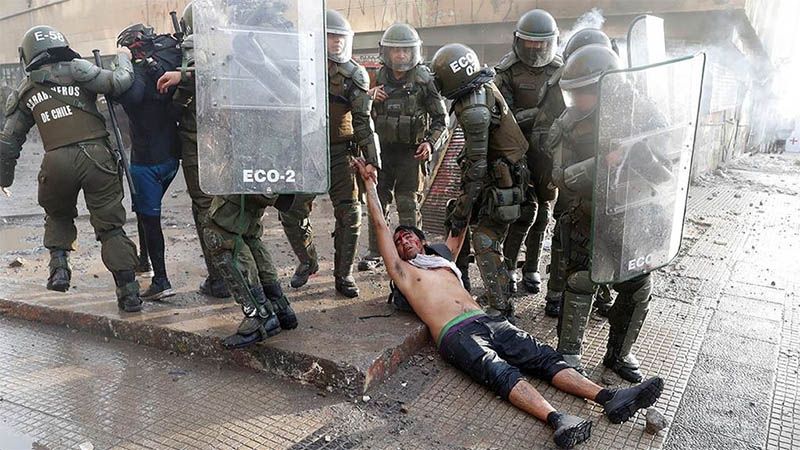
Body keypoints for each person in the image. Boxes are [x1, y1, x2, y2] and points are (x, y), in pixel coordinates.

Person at [352, 156, 663, 449]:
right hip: (455, 333)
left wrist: (474, 179)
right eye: (398, 240)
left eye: (408, 236)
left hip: (487, 319)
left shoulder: (443, 260)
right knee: (501, 373)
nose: (403, 240)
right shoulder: (403, 272)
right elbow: (380, 226)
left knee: (543, 357)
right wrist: (369, 184)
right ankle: (557, 419)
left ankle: (609, 397)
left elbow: (462, 220)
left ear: (422, 242)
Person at [0, 26, 142, 311]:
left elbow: (8, 142)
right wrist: (123, 58)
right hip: (97, 158)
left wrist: (5, 179)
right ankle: (128, 292)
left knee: (58, 215)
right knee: (111, 227)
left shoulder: (26, 89)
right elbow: (119, 82)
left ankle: (59, 269)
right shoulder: (79, 69)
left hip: (56, 163)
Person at [548, 44, 659, 382]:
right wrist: (602, 163)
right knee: (582, 281)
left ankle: (619, 354)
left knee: (638, 284)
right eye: (573, 92)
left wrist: (643, 153)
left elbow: (669, 160)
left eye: (583, 92)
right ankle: (568, 354)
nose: (576, 100)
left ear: (605, 87)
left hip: (631, 217)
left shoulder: (641, 112)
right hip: (588, 216)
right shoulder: (568, 124)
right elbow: (560, 177)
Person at [279, 9, 381, 298]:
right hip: (304, 152)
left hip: (341, 153)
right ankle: (307, 260)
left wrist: (372, 160)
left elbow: (363, 121)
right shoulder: (297, 68)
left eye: (340, 38)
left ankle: (343, 274)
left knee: (350, 213)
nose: (337, 42)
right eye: (331, 37)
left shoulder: (354, 74)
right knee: (291, 210)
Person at [431, 43, 528, 321]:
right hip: (497, 175)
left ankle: (501, 308)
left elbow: (477, 168)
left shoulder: (474, 107)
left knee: (484, 238)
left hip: (504, 182)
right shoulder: (480, 90)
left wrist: (464, 211)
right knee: (454, 216)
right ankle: (460, 285)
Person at [357, 22, 448, 271]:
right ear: (386, 52)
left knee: (408, 205)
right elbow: (357, 112)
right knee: (378, 203)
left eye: (405, 50)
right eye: (396, 50)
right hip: (382, 154)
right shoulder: (374, 77)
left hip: (411, 154)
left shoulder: (424, 80)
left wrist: (430, 143)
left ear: (413, 52)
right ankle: (376, 252)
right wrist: (369, 97)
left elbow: (441, 120)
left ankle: (415, 255)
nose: (400, 55)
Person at [155, 2, 231, 299]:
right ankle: (238, 271)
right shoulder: (229, 43)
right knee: (231, 203)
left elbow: (191, 85)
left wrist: (176, 94)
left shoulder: (194, 44)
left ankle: (220, 277)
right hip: (228, 134)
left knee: (204, 206)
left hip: (198, 136)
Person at [494, 9, 564, 298]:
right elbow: (503, 115)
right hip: (517, 149)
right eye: (530, 43)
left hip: (546, 151)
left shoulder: (560, 70)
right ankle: (509, 267)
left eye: (541, 43)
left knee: (544, 212)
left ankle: (532, 267)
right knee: (521, 211)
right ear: (519, 41)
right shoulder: (507, 71)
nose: (535, 49)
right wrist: (538, 115)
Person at [114, 23, 182, 300]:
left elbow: (128, 96)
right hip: (172, 157)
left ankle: (161, 280)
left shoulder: (137, 75)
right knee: (144, 213)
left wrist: (122, 66)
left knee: (150, 218)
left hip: (146, 162)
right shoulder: (170, 64)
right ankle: (144, 260)